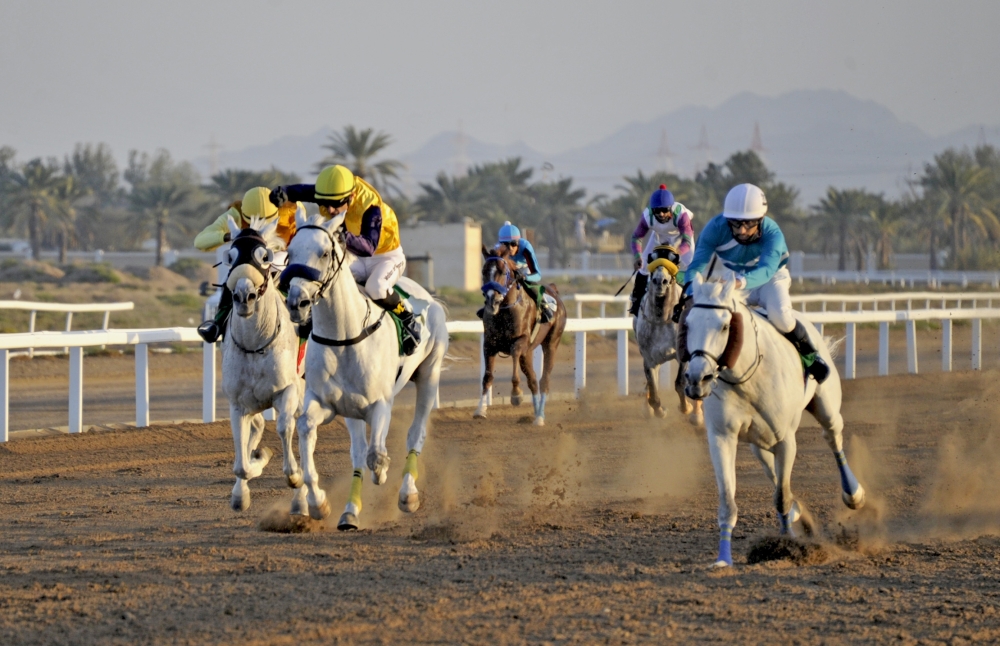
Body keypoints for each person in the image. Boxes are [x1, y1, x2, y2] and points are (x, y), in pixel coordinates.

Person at [684, 183, 830, 382]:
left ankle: (811, 357)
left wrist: (738, 282)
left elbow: (766, 270)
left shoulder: (773, 233)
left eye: (749, 224)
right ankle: (704, 366)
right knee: (710, 315)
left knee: (781, 317)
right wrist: (693, 294)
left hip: (770, 279)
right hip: (734, 277)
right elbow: (695, 268)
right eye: (736, 224)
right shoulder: (715, 228)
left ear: (761, 220)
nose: (742, 231)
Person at [270, 164, 420, 355]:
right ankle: (314, 319)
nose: (331, 210)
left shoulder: (370, 206)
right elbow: (298, 192)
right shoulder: (333, 193)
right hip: (355, 256)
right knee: (327, 279)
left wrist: (343, 237)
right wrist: (282, 192)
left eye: (336, 205)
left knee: (376, 288)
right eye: (326, 204)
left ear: (351, 197)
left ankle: (407, 318)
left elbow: (368, 247)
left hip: (385, 257)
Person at [195, 187, 298, 343]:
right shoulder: (235, 213)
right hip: (249, 256)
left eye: (265, 221)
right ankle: (217, 323)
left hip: (281, 253)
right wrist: (229, 235)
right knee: (230, 278)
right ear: (244, 213)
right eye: (251, 221)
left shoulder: (292, 209)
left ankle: (307, 320)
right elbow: (200, 241)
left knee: (294, 274)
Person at [628, 185, 695, 316]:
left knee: (691, 266)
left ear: (671, 207)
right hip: (659, 235)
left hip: (681, 237)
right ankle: (636, 300)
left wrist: (677, 253)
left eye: (664, 210)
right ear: (652, 209)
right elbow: (636, 237)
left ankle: (692, 301)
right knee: (643, 266)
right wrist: (637, 256)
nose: (661, 214)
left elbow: (686, 242)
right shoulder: (647, 217)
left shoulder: (681, 215)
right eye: (657, 211)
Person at [478, 221, 554, 322]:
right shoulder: (498, 250)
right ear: (500, 244)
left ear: (518, 242)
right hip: (508, 270)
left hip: (524, 268)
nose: (510, 248)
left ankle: (544, 306)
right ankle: (488, 304)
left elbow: (537, 275)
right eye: (506, 244)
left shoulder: (526, 247)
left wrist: (525, 277)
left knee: (529, 284)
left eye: (513, 244)